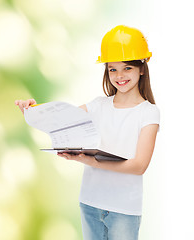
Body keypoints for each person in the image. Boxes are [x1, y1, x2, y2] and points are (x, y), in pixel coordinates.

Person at [15, 25, 160, 240]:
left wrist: (92, 162)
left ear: (142, 67)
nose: (119, 75)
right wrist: (33, 108)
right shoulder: (98, 106)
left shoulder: (149, 112)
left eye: (127, 68)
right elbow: (62, 119)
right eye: (112, 69)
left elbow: (139, 166)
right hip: (90, 203)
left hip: (123, 210)